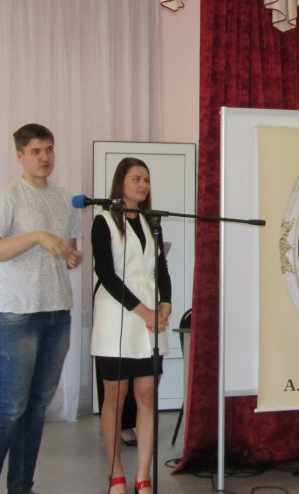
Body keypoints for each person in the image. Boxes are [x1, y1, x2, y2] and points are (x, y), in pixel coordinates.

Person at [0, 124, 83, 494]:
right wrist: (35, 236)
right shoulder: (8, 196)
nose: (45, 157)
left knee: (36, 409)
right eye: (36, 151)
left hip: (57, 314)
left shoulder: (64, 199)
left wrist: (71, 258)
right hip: (17, 316)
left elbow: (68, 253)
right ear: (20, 156)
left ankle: (21, 488)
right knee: (9, 408)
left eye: (49, 149)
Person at [90, 157, 172, 494]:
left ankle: (143, 475)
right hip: (117, 317)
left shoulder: (152, 222)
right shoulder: (104, 220)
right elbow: (106, 274)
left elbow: (161, 269)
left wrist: (165, 304)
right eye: (136, 179)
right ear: (120, 182)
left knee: (147, 395)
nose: (143, 185)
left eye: (146, 180)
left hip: (150, 319)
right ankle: (116, 473)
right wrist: (144, 311)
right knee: (115, 396)